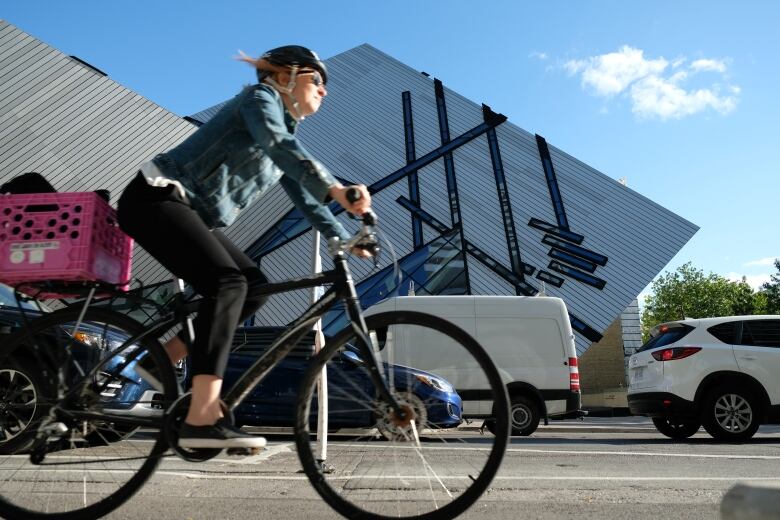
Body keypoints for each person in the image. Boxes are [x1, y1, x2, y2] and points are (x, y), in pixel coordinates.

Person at [117, 45, 372, 449]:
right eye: (317, 80)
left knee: (253, 287)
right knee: (229, 283)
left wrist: (342, 235)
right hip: (156, 196)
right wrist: (337, 188)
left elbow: (304, 198)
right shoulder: (259, 101)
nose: (324, 91)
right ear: (286, 76)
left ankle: (162, 358)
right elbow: (276, 144)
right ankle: (201, 419)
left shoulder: (286, 130)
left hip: (187, 210)